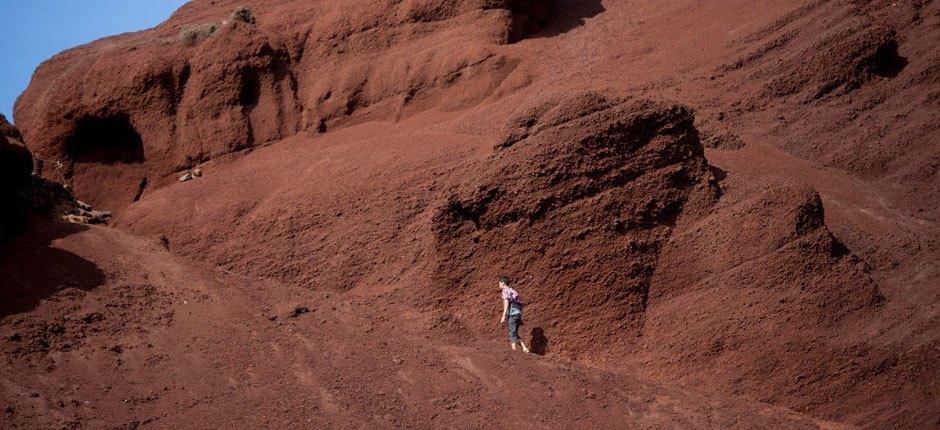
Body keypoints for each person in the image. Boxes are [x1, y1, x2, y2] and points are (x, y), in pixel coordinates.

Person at [498, 276, 530, 353]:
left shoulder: (505, 290)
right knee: (514, 332)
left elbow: (506, 303)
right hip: (518, 313)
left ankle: (513, 350)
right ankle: (524, 348)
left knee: (512, 332)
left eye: (499, 283)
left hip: (512, 313)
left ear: (503, 283)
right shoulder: (512, 290)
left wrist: (503, 316)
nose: (499, 285)